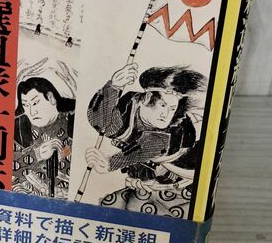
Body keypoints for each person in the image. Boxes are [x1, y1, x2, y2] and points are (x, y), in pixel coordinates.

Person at [85, 63, 204, 218]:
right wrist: (114, 87)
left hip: (178, 186)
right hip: (143, 184)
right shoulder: (130, 105)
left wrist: (111, 163)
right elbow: (103, 124)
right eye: (163, 105)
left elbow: (150, 146)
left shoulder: (176, 128)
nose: (166, 114)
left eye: (172, 108)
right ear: (147, 98)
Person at [12, 77, 75, 199]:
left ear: (51, 98)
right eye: (25, 105)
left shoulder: (74, 120)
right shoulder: (19, 126)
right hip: (28, 192)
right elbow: (6, 165)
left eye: (35, 103)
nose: (32, 112)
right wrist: (37, 154)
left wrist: (66, 151)